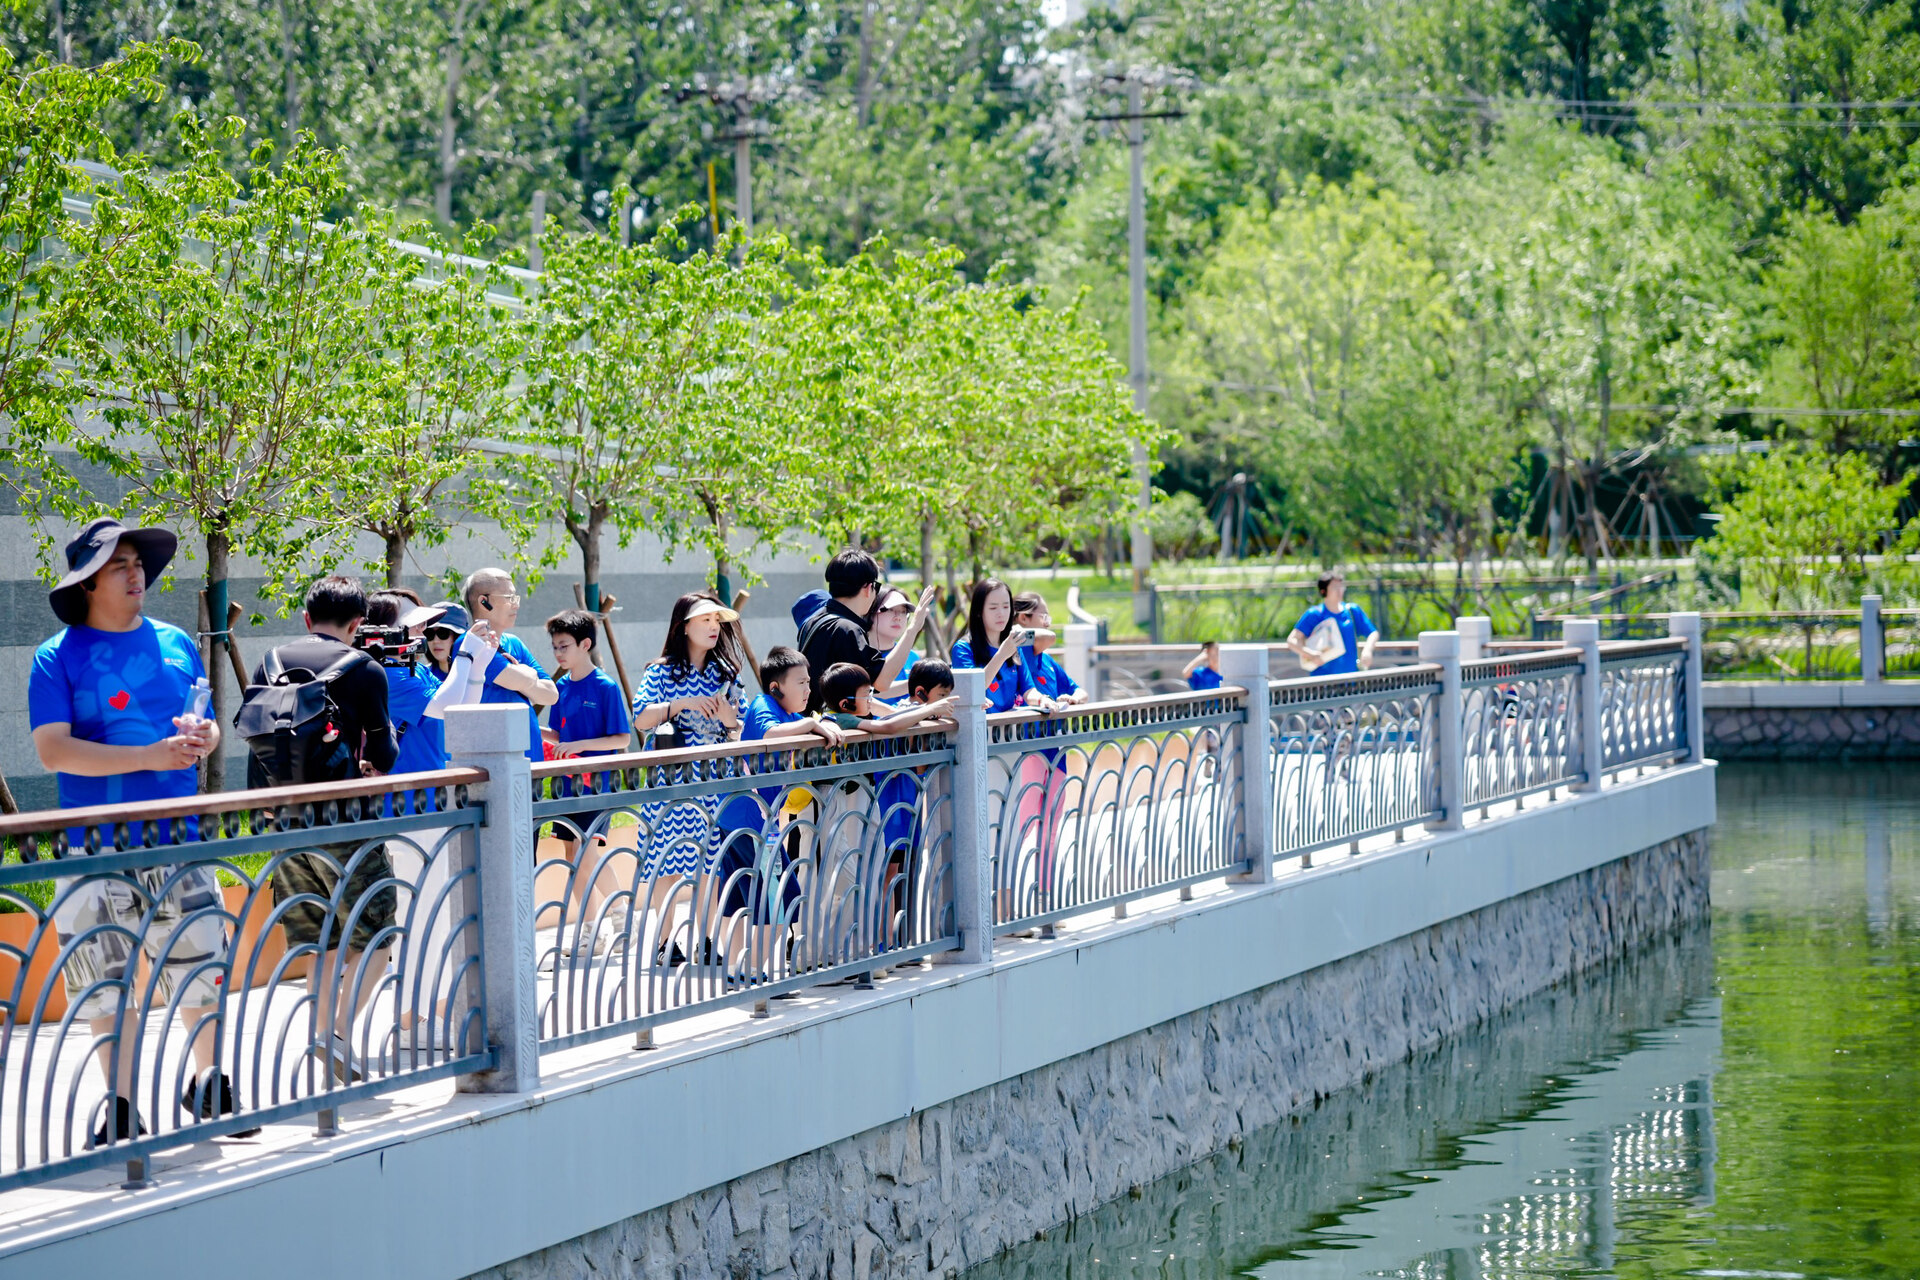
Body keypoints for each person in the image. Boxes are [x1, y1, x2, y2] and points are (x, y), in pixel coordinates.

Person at [27, 518, 249, 1145]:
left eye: (137, 561)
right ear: (89, 582)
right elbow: (53, 751)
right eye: (119, 564)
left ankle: (213, 1086)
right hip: (95, 840)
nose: (136, 572)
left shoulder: (176, 642)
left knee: (202, 963)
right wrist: (148, 756)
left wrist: (202, 738)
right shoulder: (56, 656)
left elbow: (201, 729)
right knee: (105, 980)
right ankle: (120, 1106)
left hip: (177, 836)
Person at [246, 575, 400, 1084]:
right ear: (358, 624)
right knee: (378, 937)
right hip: (344, 822)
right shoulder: (364, 668)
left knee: (323, 943)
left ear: (307, 618)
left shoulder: (268, 662)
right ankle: (334, 1035)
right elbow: (382, 753)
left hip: (285, 823)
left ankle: (322, 1037)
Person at [630, 593, 750, 956]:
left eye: (717, 621)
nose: (714, 627)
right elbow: (641, 718)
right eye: (705, 620)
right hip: (669, 776)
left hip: (712, 775)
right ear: (684, 627)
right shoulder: (661, 670)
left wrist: (728, 719)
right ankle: (666, 943)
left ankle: (706, 941)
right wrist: (681, 705)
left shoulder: (726, 673)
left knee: (709, 861)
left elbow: (740, 727)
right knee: (664, 860)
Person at [542, 609, 635, 962]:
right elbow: (558, 733)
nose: (559, 653)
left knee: (587, 854)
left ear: (585, 644)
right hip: (566, 784)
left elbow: (623, 738)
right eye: (554, 647)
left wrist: (579, 747)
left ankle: (621, 918)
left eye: (564, 645)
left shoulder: (605, 687)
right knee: (572, 857)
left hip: (595, 783)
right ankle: (592, 931)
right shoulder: (560, 688)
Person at [796, 550, 931, 711]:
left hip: (814, 727)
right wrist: (914, 627)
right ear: (868, 588)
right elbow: (881, 682)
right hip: (838, 731)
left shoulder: (814, 621)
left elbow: (869, 693)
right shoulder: (847, 629)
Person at [461, 567, 557, 763]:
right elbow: (514, 679)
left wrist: (523, 676)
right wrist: (527, 675)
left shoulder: (514, 642)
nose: (516, 605)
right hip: (491, 762)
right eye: (509, 597)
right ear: (484, 601)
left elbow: (551, 695)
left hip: (530, 758)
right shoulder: (469, 645)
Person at [364, 592, 447, 779]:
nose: (422, 629)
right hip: (405, 794)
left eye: (423, 623)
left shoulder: (417, 669)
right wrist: (467, 655)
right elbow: (445, 707)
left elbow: (460, 704)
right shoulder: (388, 673)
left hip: (434, 787)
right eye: (413, 622)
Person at [948, 578, 1033, 713]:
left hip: (1010, 731)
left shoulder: (1013, 644)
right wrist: (1002, 655)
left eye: (1006, 606)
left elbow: (1029, 690)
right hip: (980, 729)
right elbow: (973, 691)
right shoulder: (963, 649)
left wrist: (1044, 700)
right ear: (978, 612)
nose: (1001, 613)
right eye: (993, 607)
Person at [1286, 571, 1378, 677]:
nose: (1339, 590)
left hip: (1351, 678)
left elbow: (1373, 633)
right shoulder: (1315, 614)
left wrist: (1367, 650)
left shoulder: (1352, 611)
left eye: (1341, 586)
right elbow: (1292, 641)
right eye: (1334, 587)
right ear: (1324, 591)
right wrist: (1310, 655)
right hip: (1322, 681)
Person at [868, 586, 925, 701]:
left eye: (903, 612)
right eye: (890, 609)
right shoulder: (858, 654)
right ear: (870, 611)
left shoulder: (912, 657)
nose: (898, 617)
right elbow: (869, 693)